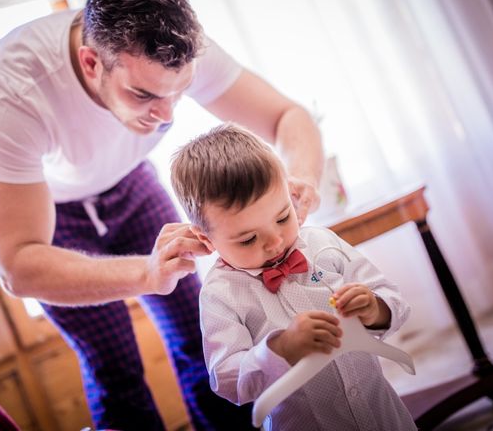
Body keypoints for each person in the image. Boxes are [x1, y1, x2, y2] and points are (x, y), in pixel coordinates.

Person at [0, 0, 323, 431]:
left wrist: (302, 179)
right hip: (49, 213)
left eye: (179, 93)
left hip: (132, 183)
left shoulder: (185, 48)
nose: (166, 116)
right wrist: (146, 271)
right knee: (113, 366)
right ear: (91, 63)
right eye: (144, 96)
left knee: (201, 337)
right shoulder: (11, 89)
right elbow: (16, 266)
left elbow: (287, 117)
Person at [170, 123, 417, 431]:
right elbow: (228, 381)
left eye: (283, 217)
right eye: (248, 239)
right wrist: (281, 348)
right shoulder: (220, 295)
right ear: (205, 239)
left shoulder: (323, 244)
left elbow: (396, 303)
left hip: (383, 415)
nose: (274, 242)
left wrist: (373, 308)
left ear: (290, 193)